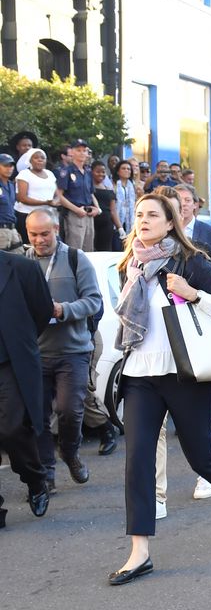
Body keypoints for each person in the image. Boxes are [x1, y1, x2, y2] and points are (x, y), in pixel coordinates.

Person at [108, 192, 211, 585]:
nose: (144, 220)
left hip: (183, 374)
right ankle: (139, 552)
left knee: (201, 456)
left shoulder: (191, 261)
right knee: (137, 460)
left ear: (170, 222)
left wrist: (194, 294)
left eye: (153, 214)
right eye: (139, 215)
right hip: (139, 375)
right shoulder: (129, 264)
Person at [24, 208, 103, 491]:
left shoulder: (75, 258)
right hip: (35, 354)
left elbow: (93, 301)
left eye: (45, 233)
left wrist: (62, 310)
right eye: (33, 234)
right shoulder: (23, 262)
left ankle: (69, 453)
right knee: (38, 417)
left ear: (56, 229)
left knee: (70, 411)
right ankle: (46, 473)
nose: (39, 240)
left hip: (73, 351)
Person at [0, 249, 54, 527]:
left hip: (11, 361)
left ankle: (35, 479)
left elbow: (42, 311)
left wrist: (20, 338)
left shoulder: (21, 268)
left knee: (12, 428)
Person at [56, 139, 99, 252]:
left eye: (84, 150)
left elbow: (91, 193)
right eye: (78, 150)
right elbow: (59, 196)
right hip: (74, 214)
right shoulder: (66, 171)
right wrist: (76, 210)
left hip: (88, 213)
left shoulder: (88, 171)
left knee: (89, 248)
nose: (82, 153)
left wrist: (97, 208)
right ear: (72, 152)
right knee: (75, 249)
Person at [16, 149, 62, 246]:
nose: (40, 160)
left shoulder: (50, 174)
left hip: (48, 216)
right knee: (31, 245)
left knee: (52, 244)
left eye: (42, 158)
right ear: (30, 161)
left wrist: (56, 201)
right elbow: (22, 198)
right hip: (27, 215)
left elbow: (57, 194)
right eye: (36, 157)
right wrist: (45, 202)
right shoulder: (24, 174)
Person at [91, 160, 121, 251]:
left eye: (103, 172)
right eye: (98, 171)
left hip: (106, 225)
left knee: (106, 250)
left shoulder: (109, 189)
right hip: (92, 223)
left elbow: (113, 211)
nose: (101, 174)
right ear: (91, 172)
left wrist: (120, 227)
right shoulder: (88, 188)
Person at [113, 160, 138, 241]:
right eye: (123, 168)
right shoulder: (114, 184)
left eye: (128, 169)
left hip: (130, 218)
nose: (127, 170)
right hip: (116, 218)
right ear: (118, 171)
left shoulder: (132, 185)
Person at [0, 153, 19, 251]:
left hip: (12, 229)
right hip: (1, 230)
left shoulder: (11, 185)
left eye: (11, 166)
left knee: (20, 260)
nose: (9, 168)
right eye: (5, 165)